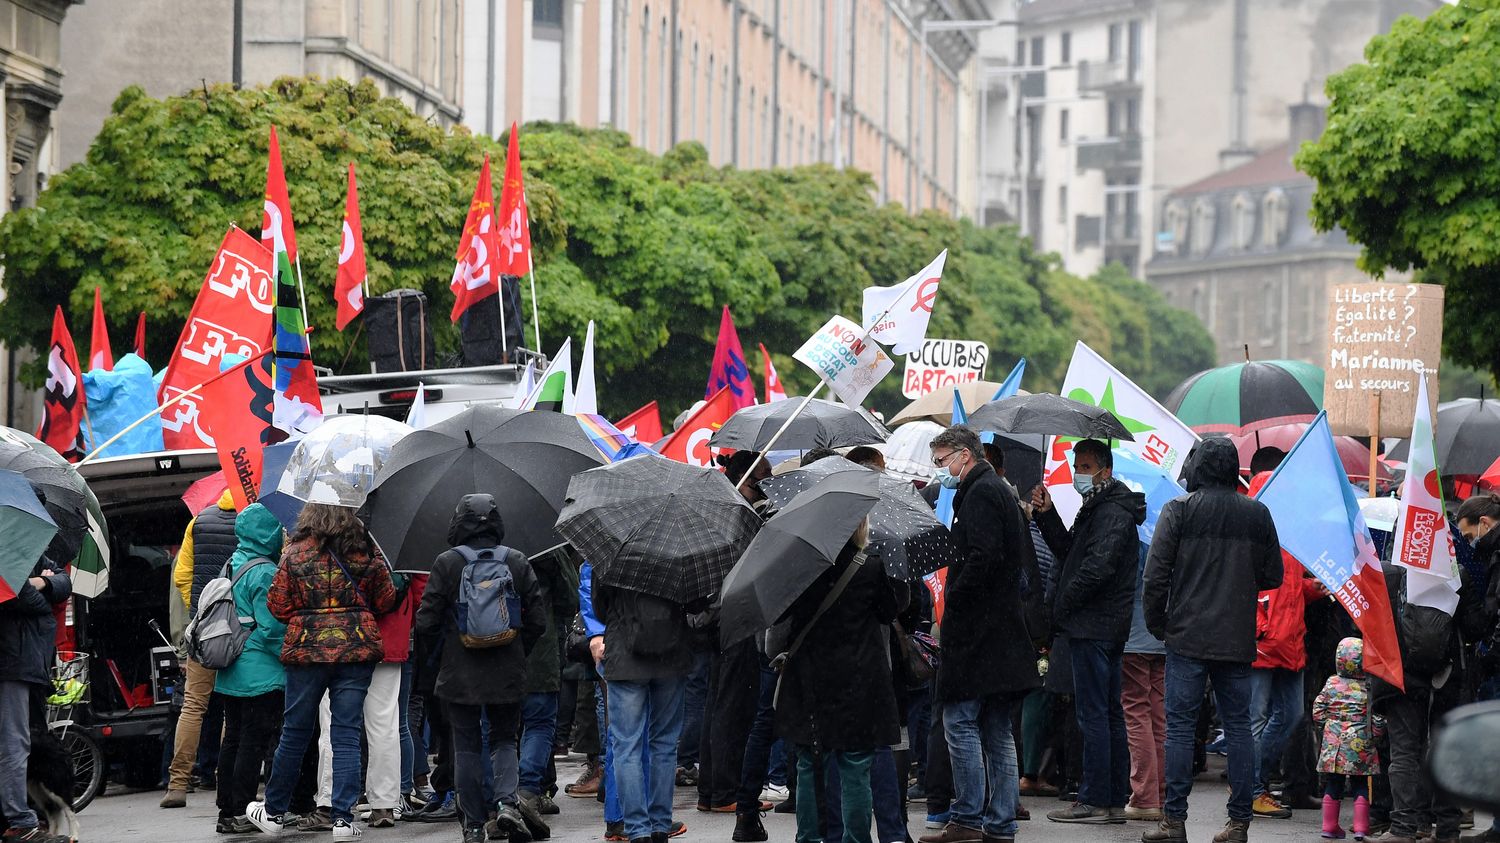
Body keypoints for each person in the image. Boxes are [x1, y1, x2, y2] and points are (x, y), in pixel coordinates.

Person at [1142, 437, 1283, 843]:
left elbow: (1155, 576)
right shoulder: (1257, 514)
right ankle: (1239, 822)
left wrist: (1159, 624)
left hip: (1185, 635)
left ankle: (1174, 821)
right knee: (1239, 727)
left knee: (1181, 728)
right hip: (1235, 637)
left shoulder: (1179, 510)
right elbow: (1273, 575)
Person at [246, 503, 399, 839]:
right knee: (346, 732)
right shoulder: (366, 550)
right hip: (356, 650)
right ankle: (343, 819)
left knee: (295, 731)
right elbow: (387, 599)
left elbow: (278, 605)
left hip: (306, 652)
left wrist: (308, 614)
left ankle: (272, 812)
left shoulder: (295, 553)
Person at [919, 425, 1040, 843]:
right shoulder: (992, 491)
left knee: (960, 722)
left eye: (941, 460)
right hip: (998, 633)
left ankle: (970, 816)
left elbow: (983, 558)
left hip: (979, 634)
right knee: (995, 728)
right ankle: (999, 822)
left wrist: (956, 599)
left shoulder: (982, 493)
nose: (940, 470)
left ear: (963, 456)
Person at [415, 494, 547, 843]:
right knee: (505, 739)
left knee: (467, 745)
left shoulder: (446, 563)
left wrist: (444, 653)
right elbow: (537, 620)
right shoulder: (517, 561)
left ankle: (473, 825)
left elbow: (425, 622)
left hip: (460, 672)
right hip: (507, 668)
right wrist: (517, 648)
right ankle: (506, 805)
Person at [1033, 439, 1145, 825]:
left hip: (1095, 624)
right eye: (1077, 466)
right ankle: (1112, 797)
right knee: (1107, 713)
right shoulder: (1096, 508)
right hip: (1100, 624)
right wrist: (1046, 515)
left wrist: (1063, 606)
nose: (1078, 473)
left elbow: (1096, 568)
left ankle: (1096, 796)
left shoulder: (1111, 512)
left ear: (1105, 471)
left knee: (1094, 714)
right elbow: (1070, 552)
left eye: (1085, 466)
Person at [774, 518, 904, 843]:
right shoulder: (870, 567)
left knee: (807, 763)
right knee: (856, 764)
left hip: (810, 678)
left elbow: (785, 619)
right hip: (858, 680)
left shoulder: (802, 567)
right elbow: (890, 610)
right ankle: (856, 839)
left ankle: (808, 837)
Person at [590, 551, 696, 843]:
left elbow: (600, 606)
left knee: (626, 745)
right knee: (663, 743)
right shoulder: (680, 547)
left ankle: (637, 828)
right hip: (671, 656)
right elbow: (697, 601)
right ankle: (660, 823)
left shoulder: (615, 547)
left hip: (625, 658)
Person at [1244, 450, 1326, 819]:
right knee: (1257, 718)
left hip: (1289, 641)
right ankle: (1252, 788)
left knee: (1290, 715)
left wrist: (1312, 588)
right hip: (1262, 642)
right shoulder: (1253, 538)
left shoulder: (1290, 537)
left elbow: (1287, 590)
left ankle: (1252, 781)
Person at [212, 504, 287, 836]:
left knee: (233, 739)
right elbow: (271, 628)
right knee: (253, 742)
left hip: (229, 668)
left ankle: (226, 809)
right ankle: (244, 808)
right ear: (268, 533)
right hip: (260, 672)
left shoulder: (231, 563)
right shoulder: (265, 572)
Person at [162, 489, 238, 809]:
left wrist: (198, 610)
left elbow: (182, 576)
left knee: (193, 706)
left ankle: (177, 784)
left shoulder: (198, 523)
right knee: (234, 708)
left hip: (204, 629)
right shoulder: (256, 521)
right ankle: (226, 780)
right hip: (240, 631)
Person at [0, 546, 71, 843]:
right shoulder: (8, 551)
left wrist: (41, 582)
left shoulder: (25, 548)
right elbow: (25, 599)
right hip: (12, 660)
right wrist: (41, 588)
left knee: (20, 741)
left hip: (26, 661)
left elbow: (64, 582)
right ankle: (19, 820)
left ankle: (23, 816)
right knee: (15, 744)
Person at [1312, 638, 1381, 841]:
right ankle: (1361, 827)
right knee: (1360, 783)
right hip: (1361, 741)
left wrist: (1326, 727)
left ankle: (1329, 826)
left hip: (1334, 743)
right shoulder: (1369, 686)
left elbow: (1318, 710)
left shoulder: (1331, 683)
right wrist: (1376, 735)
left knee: (1333, 782)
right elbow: (1377, 716)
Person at [1120, 543, 1166, 822]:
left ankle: (1145, 796)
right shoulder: (1166, 529)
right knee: (1159, 716)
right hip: (1161, 634)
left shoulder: (1136, 537)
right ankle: (1159, 794)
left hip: (1134, 633)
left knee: (1136, 714)